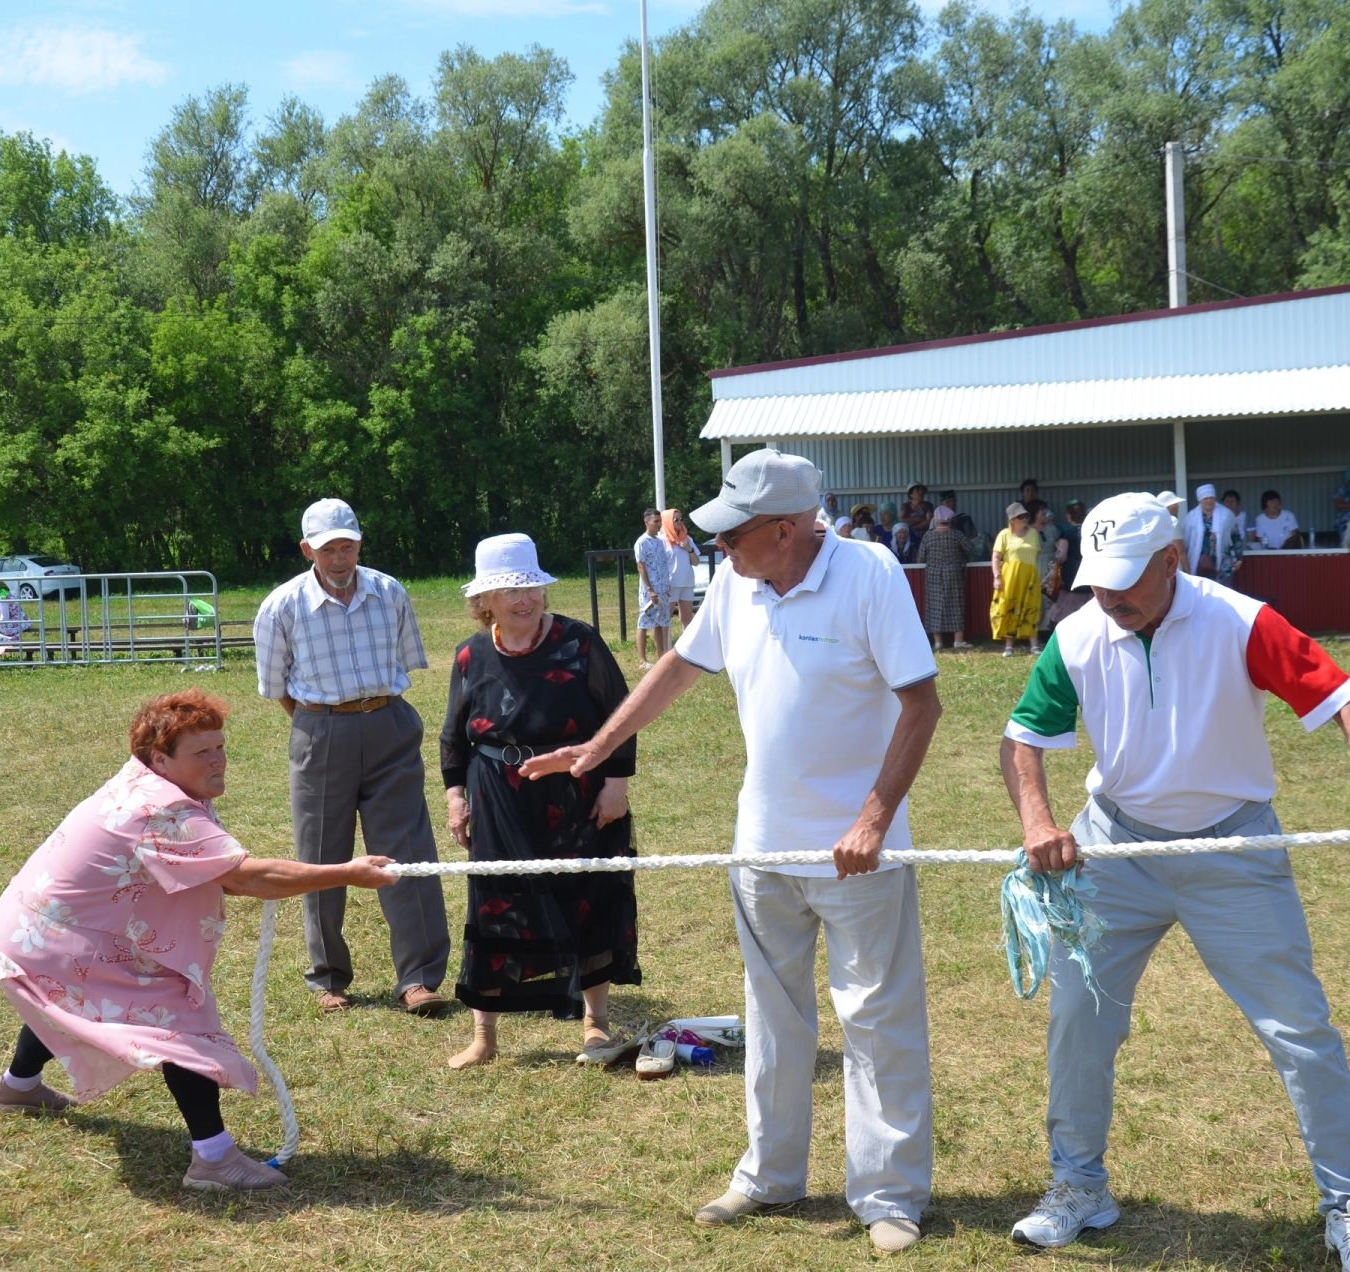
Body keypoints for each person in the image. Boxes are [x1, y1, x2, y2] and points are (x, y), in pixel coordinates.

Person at [998, 490, 1350, 1269]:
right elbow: (1022, 738)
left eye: (1127, 578)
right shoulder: (1077, 634)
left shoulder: (1242, 621)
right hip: (1116, 850)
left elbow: (1347, 698)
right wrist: (1039, 822)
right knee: (1078, 1023)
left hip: (1234, 851)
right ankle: (1078, 1186)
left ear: (1174, 560)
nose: (1109, 596)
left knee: (1299, 1032)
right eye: (1098, 578)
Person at [523, 448, 942, 1254]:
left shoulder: (870, 575)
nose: (719, 547)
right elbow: (680, 667)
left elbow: (921, 704)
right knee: (771, 1020)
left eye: (733, 533)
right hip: (761, 854)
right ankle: (770, 1177)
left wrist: (873, 819)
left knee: (877, 1023)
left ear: (787, 528)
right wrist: (595, 747)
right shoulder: (736, 585)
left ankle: (889, 1194)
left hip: (859, 859)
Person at [0, 688, 401, 1191]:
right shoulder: (161, 809)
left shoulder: (144, 777)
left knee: (78, 999)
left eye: (221, 747)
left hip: (34, 927)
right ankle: (214, 1159)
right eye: (202, 753)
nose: (219, 761)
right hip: (54, 940)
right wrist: (346, 873)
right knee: (178, 1017)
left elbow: (225, 875)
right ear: (161, 758)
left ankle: (17, 1087)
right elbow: (245, 878)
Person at [440, 534, 641, 1070]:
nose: (522, 599)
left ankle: (595, 1025)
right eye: (508, 590)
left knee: (587, 897)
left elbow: (620, 716)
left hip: (577, 790)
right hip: (495, 794)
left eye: (530, 586)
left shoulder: (581, 643)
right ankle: (485, 1037)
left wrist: (615, 782)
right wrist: (456, 796)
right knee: (494, 903)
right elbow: (453, 737)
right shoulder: (469, 654)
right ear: (486, 602)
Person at [253, 497, 452, 1017]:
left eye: (347, 546)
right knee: (320, 855)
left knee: (407, 851)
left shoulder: (390, 593)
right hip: (319, 729)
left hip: (389, 724)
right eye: (327, 549)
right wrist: (321, 721)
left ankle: (419, 978)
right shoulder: (281, 606)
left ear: (360, 543)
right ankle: (329, 978)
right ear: (306, 550)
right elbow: (276, 687)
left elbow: (408, 660)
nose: (339, 558)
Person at [991, 502, 1044, 657]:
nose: (1025, 519)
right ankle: (1009, 646)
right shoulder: (1004, 534)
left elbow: (1037, 554)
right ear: (1012, 519)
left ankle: (1034, 645)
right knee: (1009, 607)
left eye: (1026, 516)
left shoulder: (1034, 533)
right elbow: (995, 557)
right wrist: (997, 577)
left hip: (1030, 576)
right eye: (1021, 516)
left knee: (1032, 607)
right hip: (1010, 576)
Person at [917, 505, 973, 651]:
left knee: (934, 606)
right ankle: (958, 640)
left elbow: (921, 557)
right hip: (953, 573)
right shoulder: (957, 535)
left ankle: (938, 642)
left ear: (936, 519)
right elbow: (970, 549)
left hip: (933, 574)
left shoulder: (928, 536)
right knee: (956, 604)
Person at [634, 508, 673, 669]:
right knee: (644, 622)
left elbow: (663, 565)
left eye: (660, 521)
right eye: (655, 521)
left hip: (662, 588)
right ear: (646, 522)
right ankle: (642, 659)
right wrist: (650, 589)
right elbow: (641, 566)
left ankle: (661, 655)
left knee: (660, 622)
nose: (658, 524)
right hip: (649, 590)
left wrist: (666, 585)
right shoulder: (642, 542)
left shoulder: (660, 541)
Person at [1047, 498, 1093, 626]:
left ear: (1068, 515)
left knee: (1066, 611)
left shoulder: (1066, 532)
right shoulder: (1091, 530)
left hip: (1072, 576)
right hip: (1090, 574)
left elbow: (1062, 556)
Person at [1182, 484, 1241, 582]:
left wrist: (1239, 558)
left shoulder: (1227, 515)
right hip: (1198, 564)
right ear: (1200, 500)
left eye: (1211, 498)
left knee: (1222, 592)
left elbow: (1236, 537)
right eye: (1205, 499)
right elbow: (1185, 542)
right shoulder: (1190, 518)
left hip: (1223, 564)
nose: (1209, 501)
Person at [659, 508, 701, 634]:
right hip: (670, 585)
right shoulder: (661, 541)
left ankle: (686, 650)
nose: (679, 522)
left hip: (687, 582)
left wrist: (688, 549)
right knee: (666, 619)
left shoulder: (687, 539)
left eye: (681, 519)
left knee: (687, 619)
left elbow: (696, 562)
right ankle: (665, 649)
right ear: (666, 521)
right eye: (675, 519)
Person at [900, 484, 935, 548]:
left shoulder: (928, 505)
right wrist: (920, 518)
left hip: (925, 536)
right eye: (917, 491)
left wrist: (913, 527)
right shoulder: (906, 506)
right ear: (911, 494)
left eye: (922, 491)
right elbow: (902, 520)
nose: (921, 493)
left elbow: (929, 522)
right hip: (909, 537)